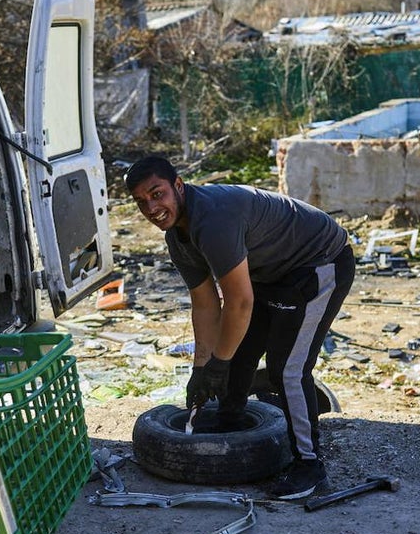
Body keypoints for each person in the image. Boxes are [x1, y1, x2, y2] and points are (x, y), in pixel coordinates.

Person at [125, 156, 355, 501]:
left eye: (157, 194)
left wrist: (218, 362)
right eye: (142, 201)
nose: (152, 207)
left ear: (178, 186)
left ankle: (310, 467)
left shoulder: (213, 220)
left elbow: (240, 302)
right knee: (236, 354)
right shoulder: (177, 235)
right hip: (270, 272)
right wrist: (201, 368)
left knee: (287, 370)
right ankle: (230, 422)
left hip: (318, 263)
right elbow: (205, 304)